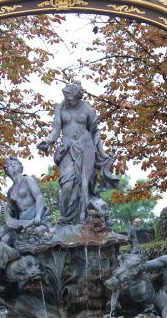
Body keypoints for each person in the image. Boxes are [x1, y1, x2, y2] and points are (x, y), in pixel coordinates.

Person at [37, 81, 118, 225]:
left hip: (86, 147)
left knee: (84, 184)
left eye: (71, 98)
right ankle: (66, 218)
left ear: (78, 96)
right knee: (67, 184)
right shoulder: (61, 108)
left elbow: (95, 132)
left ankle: (83, 219)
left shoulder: (86, 107)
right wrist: (48, 142)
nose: (68, 100)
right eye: (67, 97)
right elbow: (56, 129)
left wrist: (102, 153)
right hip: (67, 149)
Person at [0, 156, 49, 245]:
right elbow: (13, 212)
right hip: (21, 221)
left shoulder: (28, 179)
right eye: (9, 165)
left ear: (20, 167)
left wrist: (38, 215)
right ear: (6, 170)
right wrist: (5, 210)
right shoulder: (10, 191)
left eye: (15, 164)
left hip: (34, 215)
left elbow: (39, 197)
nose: (12, 166)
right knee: (2, 237)